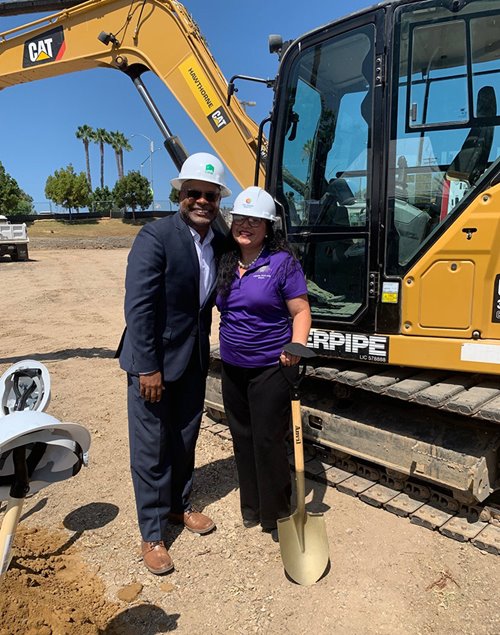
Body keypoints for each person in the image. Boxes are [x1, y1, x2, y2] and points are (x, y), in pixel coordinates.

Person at [117, 152, 231, 574]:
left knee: (185, 438)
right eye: (193, 193)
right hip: (154, 364)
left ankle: (179, 506)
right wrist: (148, 367)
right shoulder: (155, 236)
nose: (202, 201)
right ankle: (152, 533)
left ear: (218, 199)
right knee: (151, 448)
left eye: (210, 195)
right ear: (179, 195)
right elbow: (140, 307)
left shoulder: (217, 243)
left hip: (194, 360)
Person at [216, 186, 311, 541]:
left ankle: (277, 514)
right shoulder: (225, 259)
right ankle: (251, 507)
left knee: (269, 441)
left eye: (255, 221)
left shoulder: (282, 263)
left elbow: (301, 311)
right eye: (240, 219)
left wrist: (296, 345)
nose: (246, 226)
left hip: (271, 366)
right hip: (232, 366)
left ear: (268, 226)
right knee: (242, 438)